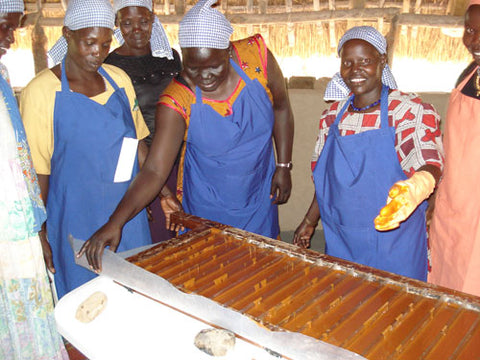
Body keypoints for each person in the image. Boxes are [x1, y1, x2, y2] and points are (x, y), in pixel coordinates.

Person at [79, 0, 294, 272]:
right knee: (216, 270)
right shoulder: (177, 99)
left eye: (213, 67)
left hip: (258, 189)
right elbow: (155, 169)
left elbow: (281, 107)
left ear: (228, 51)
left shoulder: (257, 58)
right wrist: (115, 222)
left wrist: (283, 166)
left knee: (260, 268)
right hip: (209, 200)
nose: (204, 77)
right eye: (193, 68)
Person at [20, 0, 151, 298]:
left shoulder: (118, 80)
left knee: (136, 294)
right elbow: (37, 172)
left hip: (126, 212)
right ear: (67, 34)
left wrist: (162, 194)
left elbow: (135, 143)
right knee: (86, 299)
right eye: (89, 43)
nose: (98, 53)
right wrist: (39, 233)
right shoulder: (40, 91)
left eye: (105, 44)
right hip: (75, 214)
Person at [293, 26, 444, 281]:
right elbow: (326, 180)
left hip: (395, 240)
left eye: (365, 61)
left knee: (398, 307)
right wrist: (309, 221)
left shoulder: (406, 111)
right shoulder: (332, 117)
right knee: (349, 305)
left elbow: (429, 162)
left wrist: (416, 187)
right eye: (348, 63)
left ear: (382, 61)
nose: (355, 70)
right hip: (343, 238)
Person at [0, 1, 68, 358]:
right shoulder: (38, 89)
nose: (11, 38)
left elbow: (16, 157)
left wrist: (35, 228)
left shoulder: (2, 76)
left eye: (15, 27)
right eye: (4, 26)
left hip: (17, 227)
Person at [105, 0, 182, 243]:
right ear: (117, 24)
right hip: (137, 159)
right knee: (150, 232)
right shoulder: (109, 65)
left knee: (176, 227)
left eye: (143, 21)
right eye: (127, 23)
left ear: (153, 21)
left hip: (174, 155)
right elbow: (119, 127)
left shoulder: (171, 58)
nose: (136, 29)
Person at [429, 0, 480, 296]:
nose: (474, 40)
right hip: (454, 197)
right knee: (448, 276)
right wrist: (437, 193)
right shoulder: (468, 74)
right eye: (470, 29)